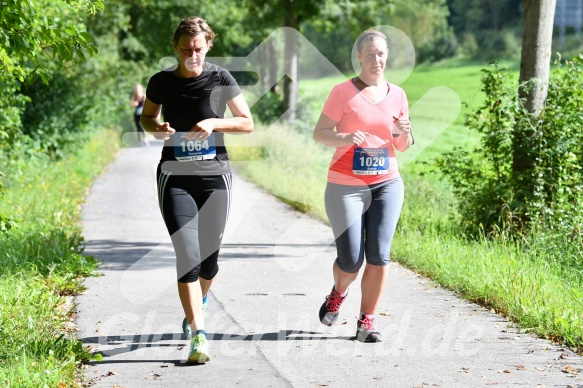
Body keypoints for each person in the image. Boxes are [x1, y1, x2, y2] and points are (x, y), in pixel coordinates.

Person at [140, 16, 254, 363]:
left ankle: (198, 304)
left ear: (208, 46)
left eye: (199, 49)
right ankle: (198, 333)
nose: (193, 55)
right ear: (176, 48)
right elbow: (147, 117)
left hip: (214, 176)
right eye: (187, 49)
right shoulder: (161, 81)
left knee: (209, 261)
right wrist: (156, 127)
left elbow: (247, 123)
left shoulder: (220, 78)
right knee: (188, 255)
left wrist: (214, 122)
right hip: (174, 176)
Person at [312, 29, 413, 343]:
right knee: (351, 259)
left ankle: (366, 322)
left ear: (387, 57)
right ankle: (338, 292)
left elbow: (403, 145)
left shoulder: (397, 94)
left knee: (379, 255)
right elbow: (320, 132)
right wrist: (343, 138)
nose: (376, 59)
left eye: (381, 54)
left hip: (387, 183)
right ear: (359, 57)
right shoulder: (342, 92)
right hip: (346, 185)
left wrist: (403, 132)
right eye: (369, 54)